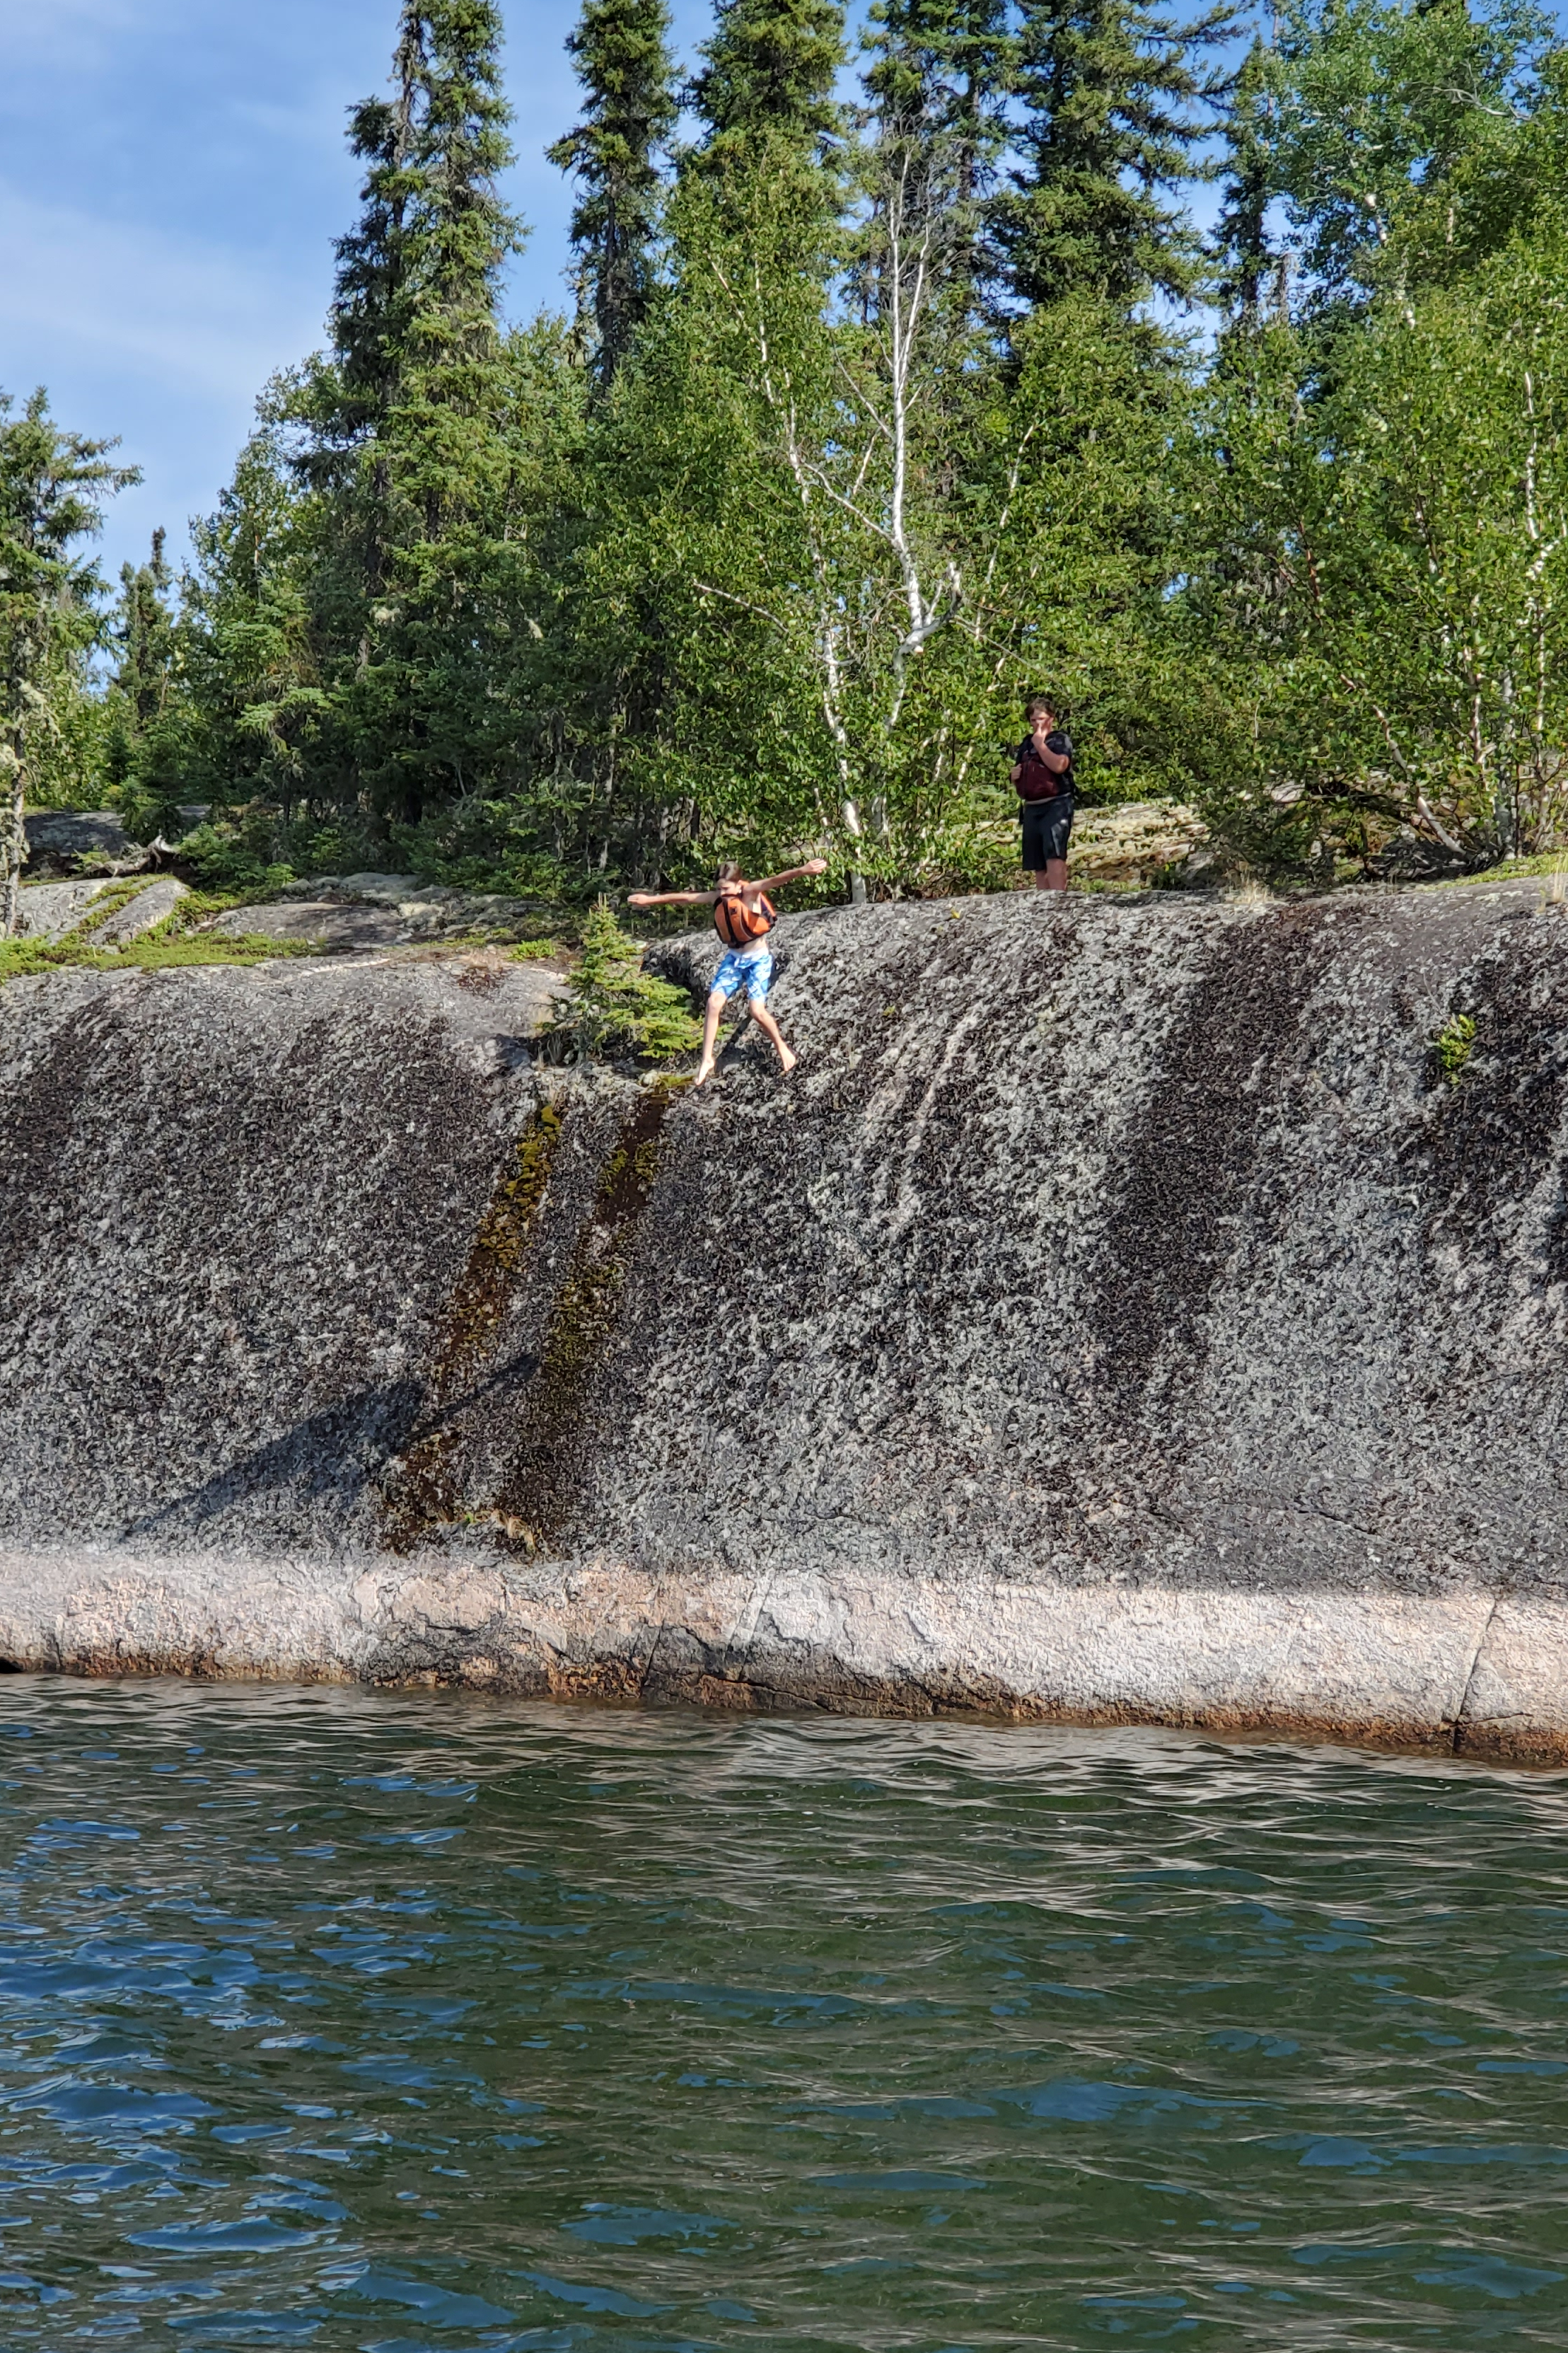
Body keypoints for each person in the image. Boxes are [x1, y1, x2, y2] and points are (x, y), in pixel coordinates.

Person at [627, 858, 828, 1087]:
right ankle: (707, 1060)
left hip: (758, 961)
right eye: (718, 889)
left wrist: (803, 870)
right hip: (734, 960)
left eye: (726, 888)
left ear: (738, 884)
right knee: (713, 1003)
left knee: (757, 1011)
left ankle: (782, 1048)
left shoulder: (750, 891)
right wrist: (650, 900)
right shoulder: (718, 897)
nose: (722, 893)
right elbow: (684, 898)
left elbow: (777, 880)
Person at [1011, 693, 1075, 892]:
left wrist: (1041, 744)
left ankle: (1058, 899)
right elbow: (1022, 778)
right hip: (1032, 808)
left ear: (1051, 718)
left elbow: (1060, 766)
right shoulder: (1025, 744)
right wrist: (1014, 776)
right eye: (1033, 720)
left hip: (1057, 805)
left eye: (1041, 719)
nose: (1037, 723)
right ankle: (1042, 903)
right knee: (1038, 860)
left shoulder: (1059, 740)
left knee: (1054, 853)